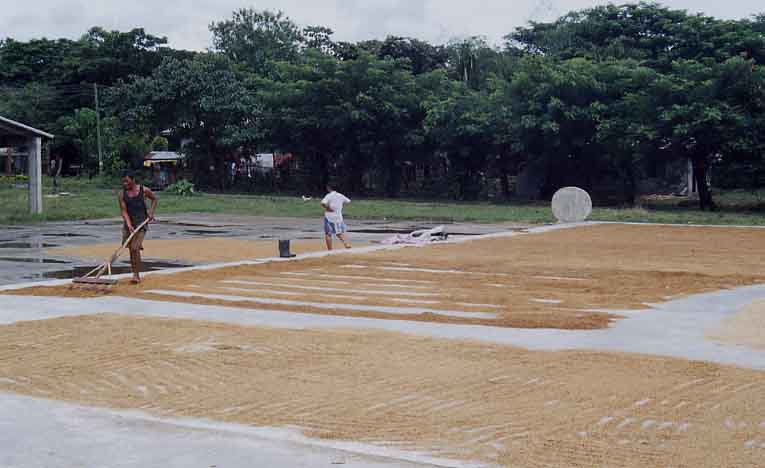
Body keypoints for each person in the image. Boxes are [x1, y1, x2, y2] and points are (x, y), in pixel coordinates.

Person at [118, 170, 158, 284]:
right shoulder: (121, 194)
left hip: (141, 223)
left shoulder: (144, 190)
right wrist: (129, 224)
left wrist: (151, 212)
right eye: (123, 182)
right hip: (128, 224)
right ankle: (134, 273)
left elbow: (154, 199)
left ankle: (136, 275)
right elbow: (124, 211)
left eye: (127, 181)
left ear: (133, 180)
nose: (125, 184)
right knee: (131, 250)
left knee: (135, 248)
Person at [321, 182, 351, 250]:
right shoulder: (340, 195)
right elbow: (348, 201)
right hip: (338, 216)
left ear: (329, 188)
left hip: (329, 217)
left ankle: (330, 249)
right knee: (339, 232)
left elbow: (323, 203)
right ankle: (346, 244)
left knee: (328, 234)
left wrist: (328, 208)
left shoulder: (329, 195)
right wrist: (339, 206)